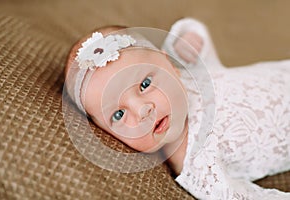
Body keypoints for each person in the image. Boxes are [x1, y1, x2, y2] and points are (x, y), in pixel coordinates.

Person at [64, 18, 290, 199]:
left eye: (145, 84)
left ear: (170, 65)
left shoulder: (190, 74)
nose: (143, 111)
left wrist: (188, 40)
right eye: (119, 114)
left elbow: (199, 40)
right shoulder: (196, 166)